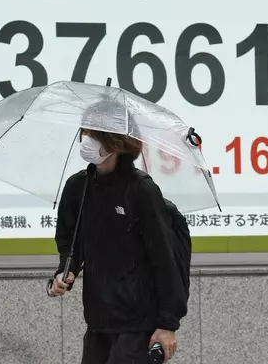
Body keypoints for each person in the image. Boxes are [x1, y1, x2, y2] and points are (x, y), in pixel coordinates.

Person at [47, 128, 187, 364]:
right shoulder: (78, 187)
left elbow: (165, 259)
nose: (86, 141)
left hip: (138, 323)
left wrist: (167, 324)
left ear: (116, 144)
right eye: (85, 133)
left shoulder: (141, 189)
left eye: (94, 135)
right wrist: (66, 269)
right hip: (97, 319)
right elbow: (70, 240)